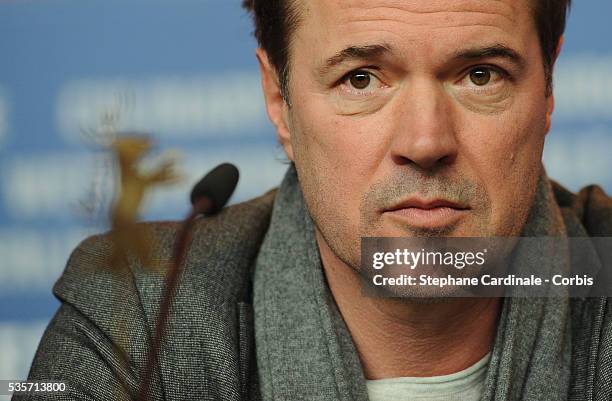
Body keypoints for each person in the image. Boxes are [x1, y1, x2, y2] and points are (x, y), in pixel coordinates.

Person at [17, 1, 612, 400]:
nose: (426, 142)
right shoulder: (141, 307)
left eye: (480, 75)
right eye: (361, 79)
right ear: (280, 100)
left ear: (550, 88)